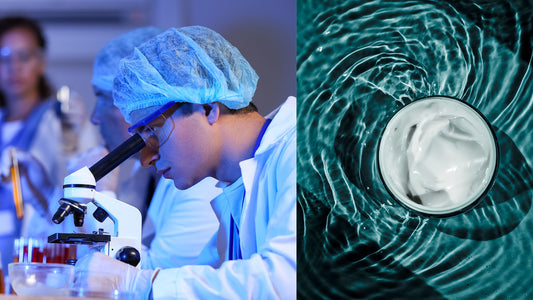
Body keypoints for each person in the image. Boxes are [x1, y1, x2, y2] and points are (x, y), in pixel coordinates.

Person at [75, 26, 296, 299]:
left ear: (206, 108)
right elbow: (197, 273)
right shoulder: (237, 186)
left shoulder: (302, 152)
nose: (147, 158)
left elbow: (287, 281)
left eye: (153, 131)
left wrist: (137, 284)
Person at [85, 26, 220, 268]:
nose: (94, 117)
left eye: (104, 98)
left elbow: (152, 274)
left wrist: (102, 196)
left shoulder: (199, 177)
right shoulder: (145, 172)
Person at [0, 16, 98, 272]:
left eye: (25, 56)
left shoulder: (62, 119)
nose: (14, 67)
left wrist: (76, 134)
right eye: (5, 56)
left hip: (43, 253)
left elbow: (84, 180)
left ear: (41, 62)